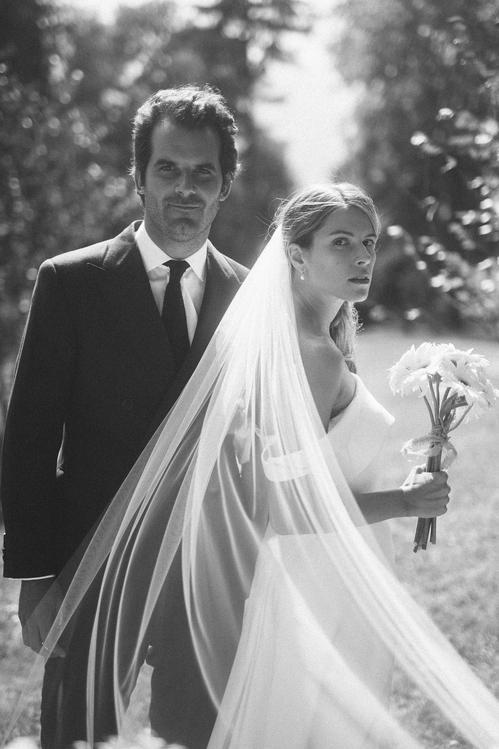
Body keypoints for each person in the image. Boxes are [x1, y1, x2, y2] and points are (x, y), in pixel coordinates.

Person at [8, 183, 499, 747]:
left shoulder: (312, 341)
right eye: (341, 242)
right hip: (314, 584)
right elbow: (282, 508)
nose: (363, 257)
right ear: (297, 253)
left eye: (368, 242)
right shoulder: (312, 355)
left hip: (333, 574)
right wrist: (405, 502)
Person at [0, 84, 248, 749]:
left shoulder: (251, 299)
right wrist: (35, 575)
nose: (185, 188)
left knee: (194, 740)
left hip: (204, 576)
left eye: (203, 173)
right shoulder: (70, 282)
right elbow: (29, 441)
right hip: (90, 565)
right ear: (138, 177)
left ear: (225, 185)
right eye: (167, 169)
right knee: (76, 735)